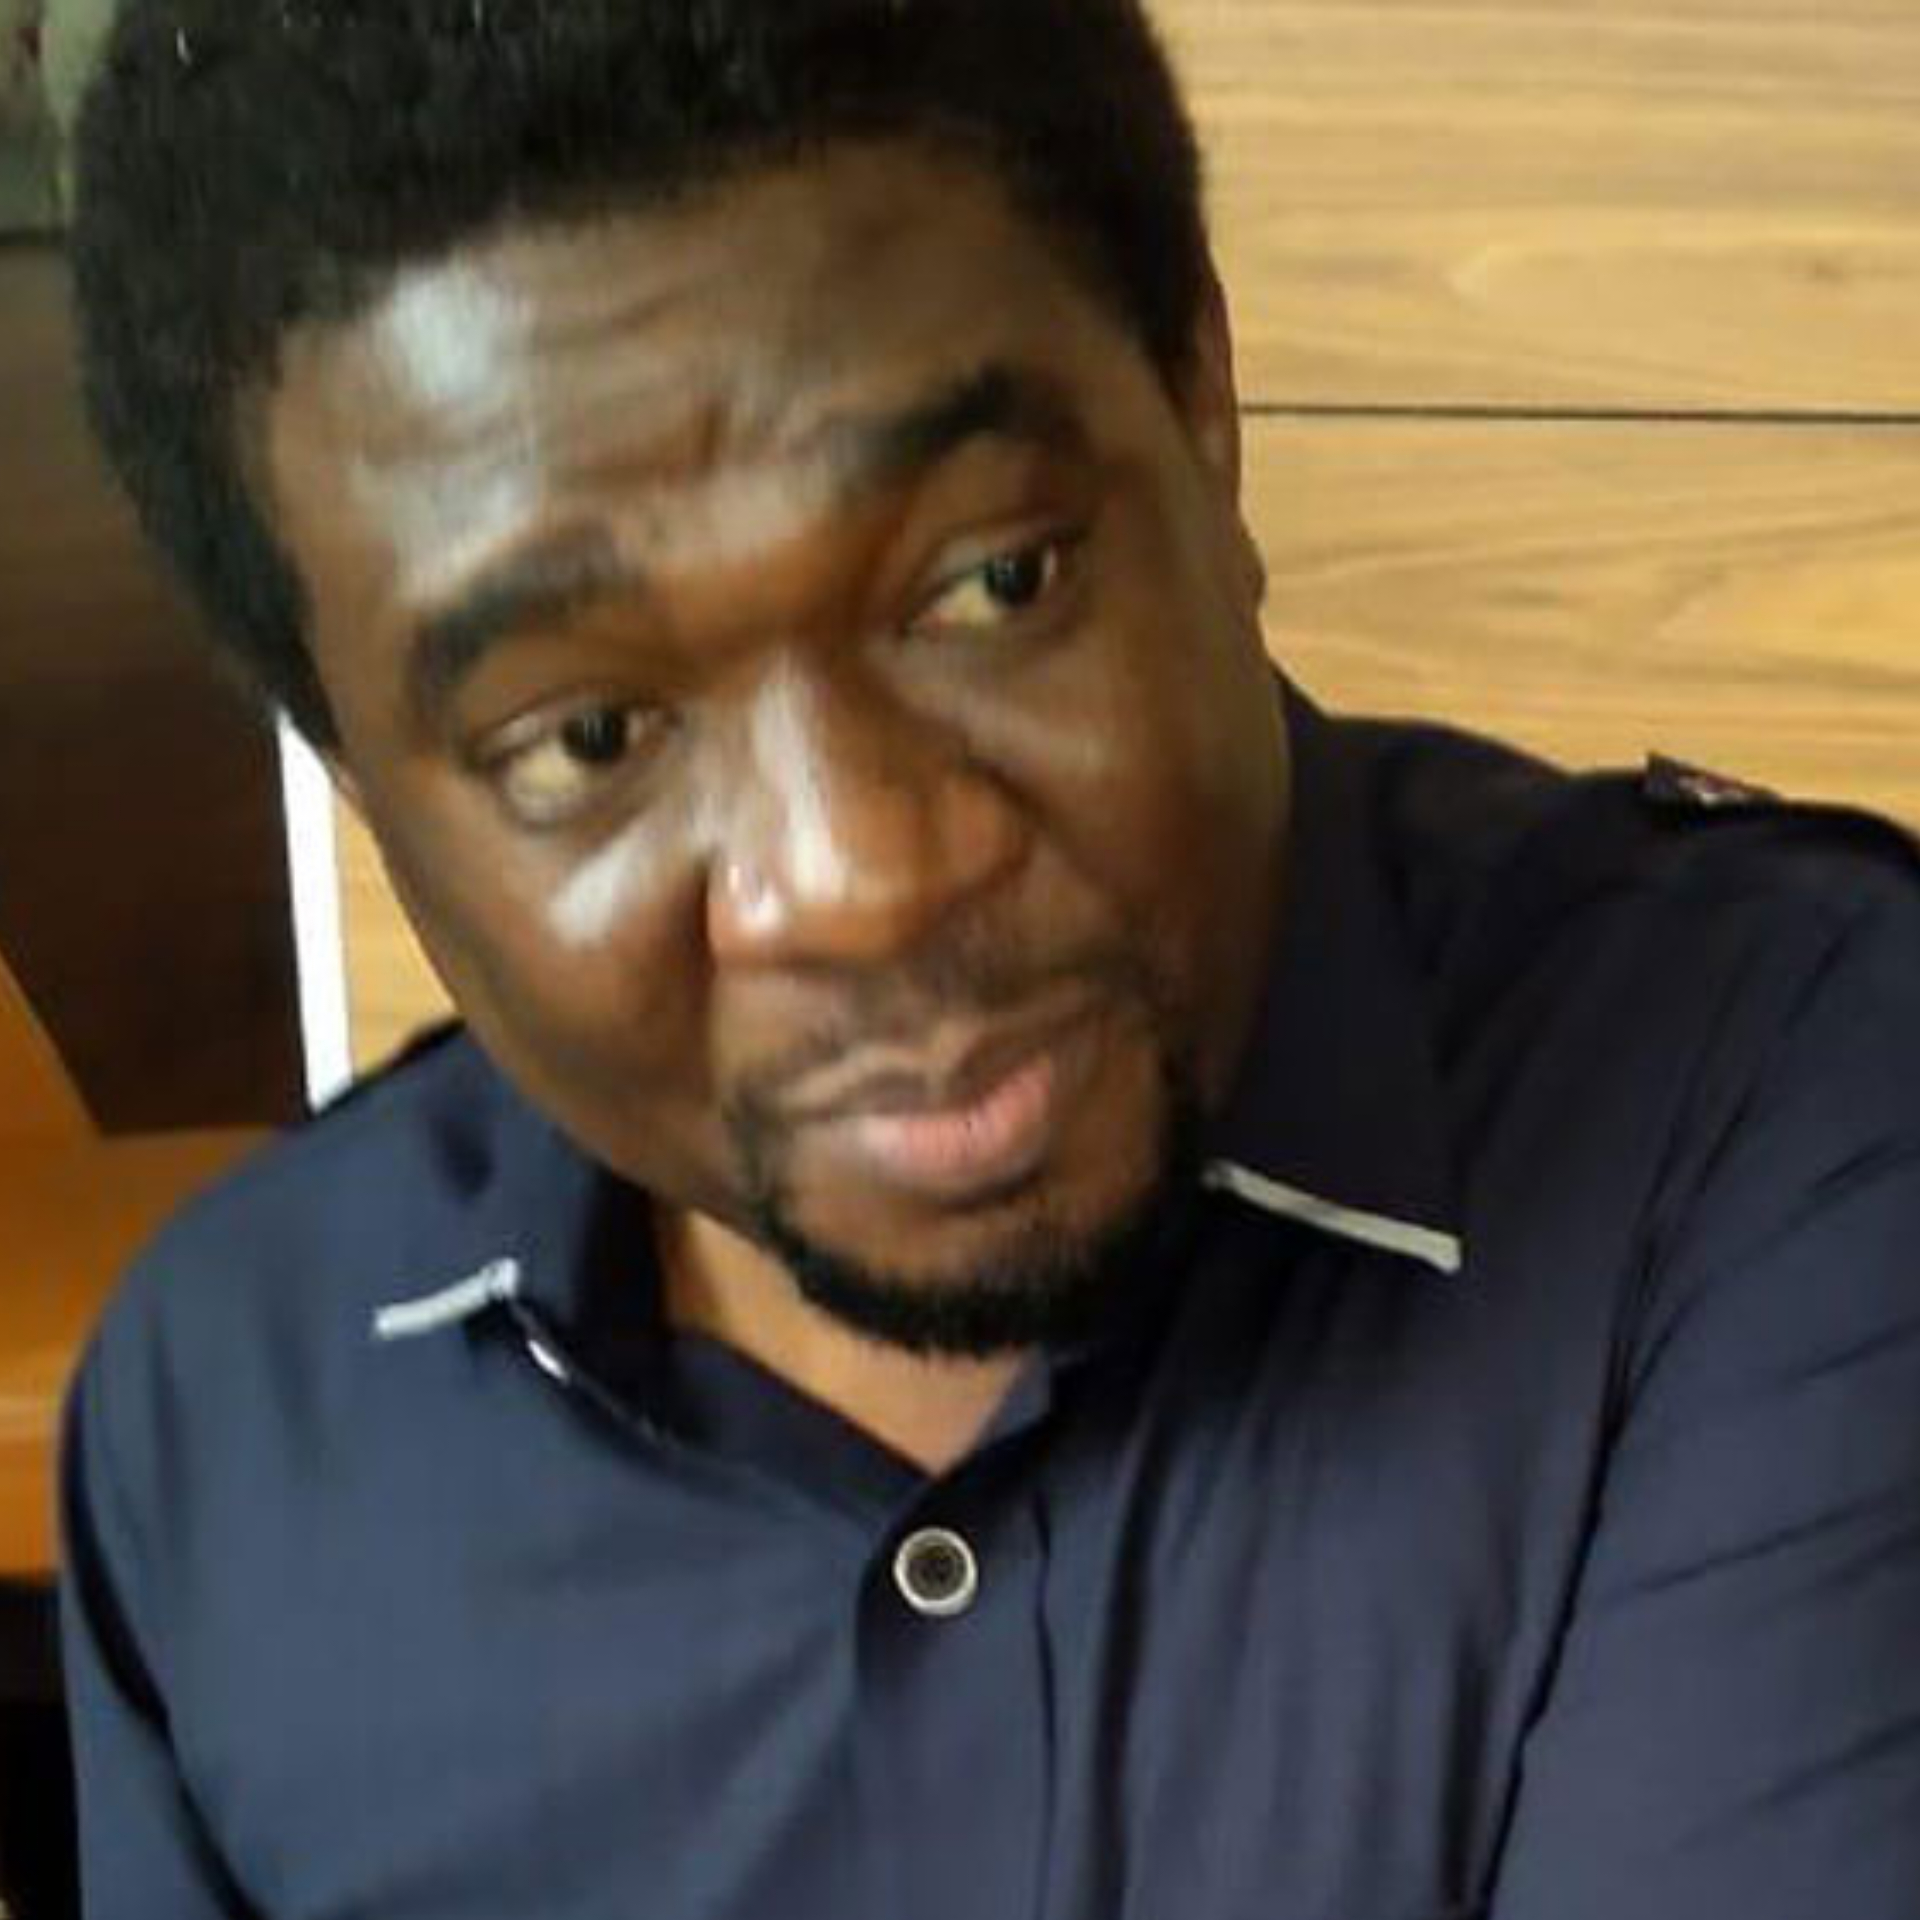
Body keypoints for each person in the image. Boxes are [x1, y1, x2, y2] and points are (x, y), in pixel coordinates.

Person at [55, 2, 1920, 1915]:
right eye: (590, 740)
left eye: (994, 581)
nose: (863, 878)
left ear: (1201, 411)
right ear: (352, 770)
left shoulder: (1783, 1111)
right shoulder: (226, 1423)